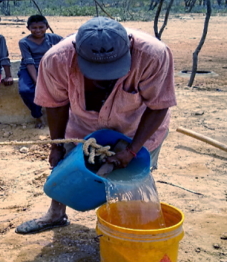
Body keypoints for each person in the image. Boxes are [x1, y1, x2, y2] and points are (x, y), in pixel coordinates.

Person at [15, 16, 176, 234]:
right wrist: (57, 146)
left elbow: (158, 106)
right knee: (66, 170)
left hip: (137, 128)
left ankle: (123, 226)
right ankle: (56, 214)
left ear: (129, 46)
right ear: (75, 50)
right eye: (94, 72)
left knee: (128, 180)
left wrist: (131, 150)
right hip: (83, 126)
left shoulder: (153, 55)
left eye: (112, 70)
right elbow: (56, 105)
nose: (103, 79)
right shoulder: (56, 60)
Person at [18, 15, 63, 128]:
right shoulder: (24, 42)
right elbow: (29, 62)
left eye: (41, 27)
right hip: (29, 68)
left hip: (48, 67)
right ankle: (37, 115)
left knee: (60, 89)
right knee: (26, 91)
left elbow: (67, 45)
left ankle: (62, 117)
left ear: (47, 26)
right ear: (28, 28)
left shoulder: (53, 38)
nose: (38, 30)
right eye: (34, 28)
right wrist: (37, 81)